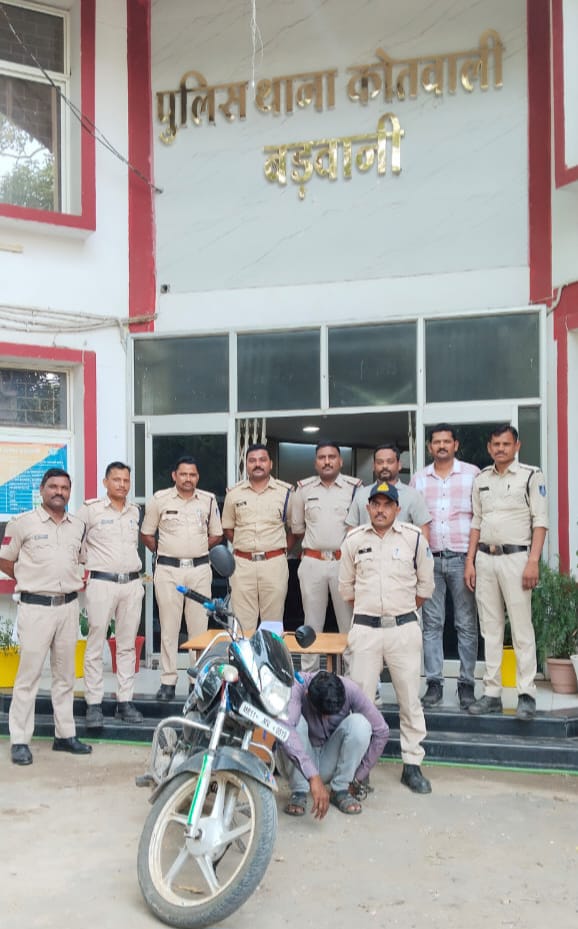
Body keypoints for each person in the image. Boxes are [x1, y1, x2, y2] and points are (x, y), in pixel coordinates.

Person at [339, 481, 435, 794]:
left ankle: (412, 765)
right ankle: (361, 766)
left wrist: (399, 612)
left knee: (409, 700)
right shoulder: (354, 540)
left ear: (397, 508)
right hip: (365, 630)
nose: (381, 510)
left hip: (402, 629)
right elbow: (346, 589)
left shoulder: (413, 538)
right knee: (362, 702)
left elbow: (425, 587)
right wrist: (372, 613)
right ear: (368, 508)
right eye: (376, 504)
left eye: (387, 505)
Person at [0, 468, 92, 765]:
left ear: (69, 491)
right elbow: (5, 559)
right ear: (41, 490)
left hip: (68, 607)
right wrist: (29, 578)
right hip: (36, 608)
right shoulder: (22, 523)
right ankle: (19, 740)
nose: (59, 492)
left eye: (64, 487)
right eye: (53, 486)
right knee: (28, 677)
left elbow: (81, 559)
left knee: (65, 676)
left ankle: (64, 735)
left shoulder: (77, 526)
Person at [464, 425, 548, 721]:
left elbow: (540, 521)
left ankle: (526, 694)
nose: (500, 449)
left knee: (522, 628)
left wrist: (533, 561)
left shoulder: (531, 476)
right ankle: (492, 693)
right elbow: (476, 521)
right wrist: (470, 560)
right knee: (490, 629)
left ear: (517, 446)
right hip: (485, 559)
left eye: (506, 444)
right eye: (496, 444)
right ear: (489, 448)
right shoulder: (481, 479)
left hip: (517, 559)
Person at [141, 456, 223, 701]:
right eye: (183, 474)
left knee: (199, 629)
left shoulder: (208, 500)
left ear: (198, 477)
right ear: (174, 476)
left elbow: (216, 534)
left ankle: (196, 681)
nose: (188, 479)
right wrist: (165, 552)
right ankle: (168, 681)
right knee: (169, 627)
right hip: (168, 570)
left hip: (199, 569)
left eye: (193, 474)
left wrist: (196, 549)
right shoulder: (159, 499)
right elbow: (146, 534)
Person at [410, 425, 480, 710]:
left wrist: (472, 560)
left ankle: (467, 685)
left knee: (466, 623)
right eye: (436, 442)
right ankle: (434, 684)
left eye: (446, 441)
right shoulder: (419, 479)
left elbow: (478, 518)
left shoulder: (472, 474)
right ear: (430, 447)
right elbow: (414, 520)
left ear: (455, 445)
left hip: (463, 558)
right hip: (430, 560)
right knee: (431, 624)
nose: (441, 446)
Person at [77, 462, 145, 728]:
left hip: (131, 584)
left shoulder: (135, 511)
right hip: (102, 582)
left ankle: (124, 701)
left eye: (126, 480)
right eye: (116, 480)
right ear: (105, 482)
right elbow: (76, 543)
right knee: (95, 643)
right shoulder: (91, 509)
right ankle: (94, 703)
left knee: (127, 646)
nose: (122, 485)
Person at [278, 670, 389, 818]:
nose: (326, 718)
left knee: (360, 724)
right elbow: (284, 730)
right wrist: (313, 776)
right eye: (322, 713)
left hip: (329, 760)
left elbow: (382, 731)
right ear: (307, 695)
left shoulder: (350, 690)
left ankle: (340, 788)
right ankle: (299, 790)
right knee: (290, 725)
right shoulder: (297, 686)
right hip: (300, 763)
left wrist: (357, 778)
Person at [290, 443, 362, 670]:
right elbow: (297, 528)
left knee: (348, 622)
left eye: (332, 457)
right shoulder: (303, 489)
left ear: (341, 461)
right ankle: (308, 675)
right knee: (311, 622)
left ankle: (354, 674)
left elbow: (361, 528)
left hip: (344, 562)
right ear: (315, 462)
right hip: (313, 561)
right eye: (322, 457)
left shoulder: (355, 489)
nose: (327, 461)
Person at [221, 444, 293, 636]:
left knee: (273, 624)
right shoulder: (234, 494)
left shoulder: (286, 492)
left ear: (270, 464)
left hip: (274, 564)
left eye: (262, 460)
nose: (257, 464)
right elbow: (228, 528)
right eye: (252, 460)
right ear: (246, 465)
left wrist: (278, 550)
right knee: (242, 624)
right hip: (242, 564)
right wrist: (245, 547)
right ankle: (246, 657)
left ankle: (271, 657)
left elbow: (295, 529)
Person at [346, 444, 431, 536]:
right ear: (373, 466)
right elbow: (351, 531)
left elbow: (423, 533)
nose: (385, 466)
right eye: (380, 462)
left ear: (399, 465)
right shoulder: (361, 495)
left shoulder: (413, 496)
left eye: (390, 462)